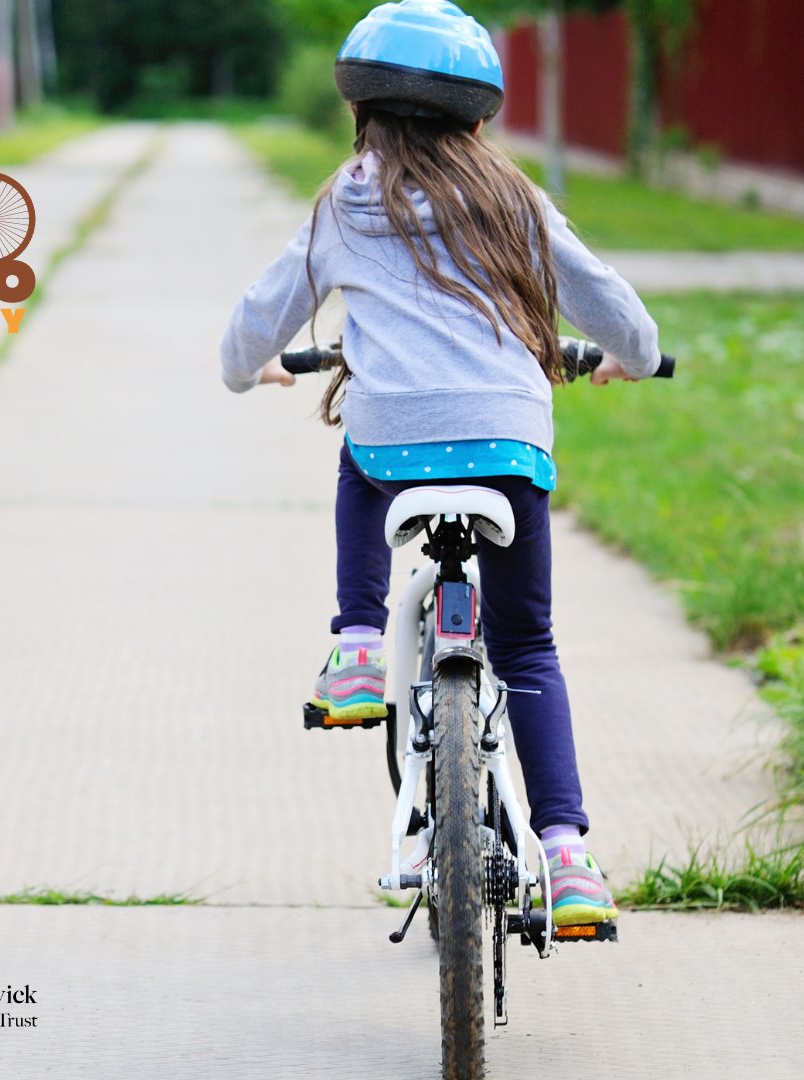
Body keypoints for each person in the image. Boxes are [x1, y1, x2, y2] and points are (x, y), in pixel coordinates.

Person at [220, 1, 662, 925]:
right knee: (529, 647)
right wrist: (639, 352)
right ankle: (570, 857)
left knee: (358, 460)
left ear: (363, 113)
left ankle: (354, 643)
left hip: (391, 444)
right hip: (508, 448)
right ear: (479, 118)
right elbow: (607, 303)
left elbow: (259, 316)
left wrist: (245, 369)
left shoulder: (346, 199)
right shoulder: (516, 201)